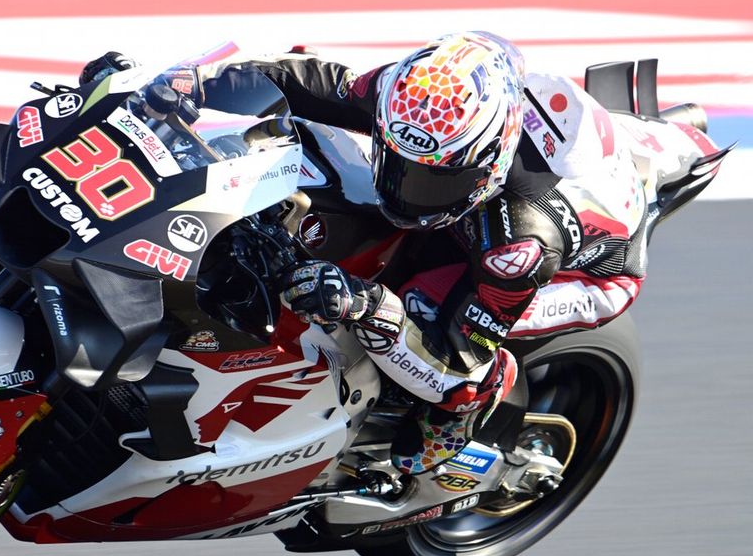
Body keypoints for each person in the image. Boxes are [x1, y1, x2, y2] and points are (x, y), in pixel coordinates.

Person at [82, 33, 648, 477]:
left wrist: (368, 307)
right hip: (487, 195)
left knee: (430, 324)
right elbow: (297, 79)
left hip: (580, 274)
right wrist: (190, 84)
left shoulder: (521, 240)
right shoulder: (414, 99)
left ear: (489, 163)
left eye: (430, 180)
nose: (405, 188)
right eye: (397, 161)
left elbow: (460, 355)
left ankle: (452, 434)